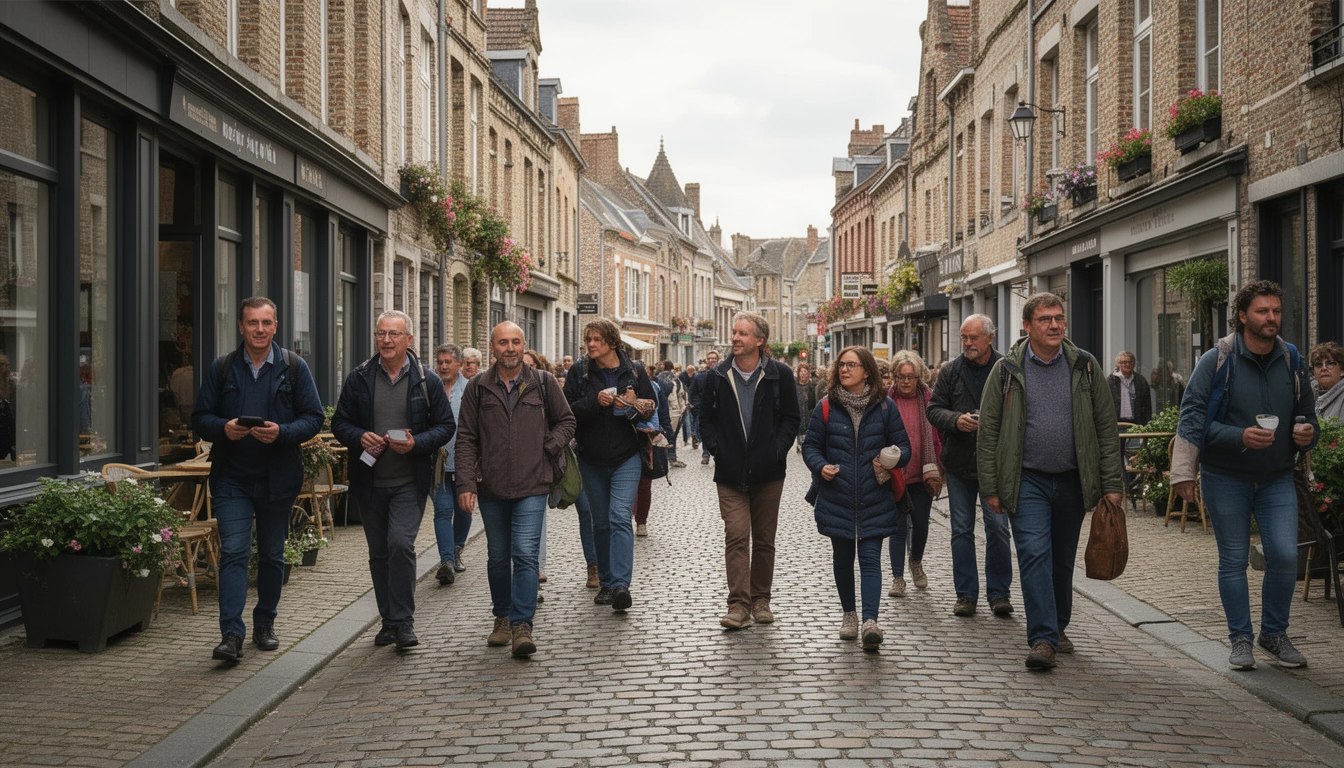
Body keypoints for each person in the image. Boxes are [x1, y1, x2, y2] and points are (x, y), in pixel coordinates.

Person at [1172, 281, 1319, 670]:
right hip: (1226, 476)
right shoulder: (1218, 359)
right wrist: (1238, 436)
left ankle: (1274, 633)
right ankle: (1240, 639)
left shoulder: (1291, 358)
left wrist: (1306, 433)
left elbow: (1308, 416)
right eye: (1262, 311)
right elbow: (1193, 418)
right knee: (1234, 560)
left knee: (1285, 555)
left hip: (1277, 477)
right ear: (1242, 316)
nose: (1271, 318)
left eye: (1275, 311)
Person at [977, 293, 1124, 670]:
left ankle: (1058, 626)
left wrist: (1112, 483)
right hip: (1027, 481)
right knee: (1034, 554)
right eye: (1045, 319)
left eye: (1059, 318)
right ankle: (1042, 638)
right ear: (1027, 326)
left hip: (1073, 481)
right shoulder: (1007, 371)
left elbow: (1106, 430)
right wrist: (991, 488)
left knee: (1061, 561)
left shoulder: (1085, 367)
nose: (1055, 325)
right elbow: (989, 432)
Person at [193, 297, 324, 662]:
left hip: (277, 478)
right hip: (232, 477)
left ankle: (264, 622)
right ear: (241, 326)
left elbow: (313, 418)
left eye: (266, 323)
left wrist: (281, 432)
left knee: (271, 554)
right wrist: (225, 428)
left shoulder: (294, 368)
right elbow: (200, 417)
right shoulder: (222, 369)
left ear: (276, 326)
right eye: (252, 323)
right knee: (234, 551)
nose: (259, 329)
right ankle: (231, 635)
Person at [331, 311, 455, 650]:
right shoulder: (359, 377)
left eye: (394, 334)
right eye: (381, 333)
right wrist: (359, 437)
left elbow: (446, 427)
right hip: (369, 482)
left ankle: (403, 622)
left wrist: (417, 443)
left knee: (400, 544)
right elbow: (339, 423)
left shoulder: (426, 380)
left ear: (409, 340)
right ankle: (388, 621)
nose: (386, 340)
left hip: (409, 481)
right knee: (379, 553)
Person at [453, 325, 573, 657]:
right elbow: (466, 439)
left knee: (524, 554)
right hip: (490, 486)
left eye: (516, 342)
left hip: (533, 485)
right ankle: (501, 617)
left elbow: (567, 421)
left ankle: (522, 624)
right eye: (503, 342)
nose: (510, 348)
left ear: (524, 346)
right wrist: (465, 483)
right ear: (491, 347)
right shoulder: (478, 388)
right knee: (497, 556)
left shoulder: (543, 383)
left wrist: (546, 448)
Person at [700, 312, 801, 629]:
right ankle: (739, 605)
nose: (735, 338)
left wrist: (777, 449)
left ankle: (761, 600)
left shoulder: (779, 375)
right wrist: (718, 449)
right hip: (730, 473)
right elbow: (705, 419)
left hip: (768, 472)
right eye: (734, 332)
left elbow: (791, 418)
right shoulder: (717, 376)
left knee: (765, 540)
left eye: (742, 333)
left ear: (760, 340)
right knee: (737, 535)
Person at [804, 346, 910, 649]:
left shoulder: (886, 407)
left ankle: (870, 622)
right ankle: (849, 614)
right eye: (841, 364)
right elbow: (811, 446)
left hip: (874, 495)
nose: (844, 370)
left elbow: (905, 446)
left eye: (851, 365)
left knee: (869, 558)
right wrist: (820, 465)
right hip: (837, 494)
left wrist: (895, 456)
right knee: (842, 557)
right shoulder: (825, 407)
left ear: (866, 370)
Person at [564, 319, 656, 612]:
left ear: (612, 343)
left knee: (619, 517)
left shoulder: (634, 370)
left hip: (626, 456)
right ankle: (605, 582)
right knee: (600, 522)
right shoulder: (579, 372)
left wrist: (633, 404)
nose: (591, 344)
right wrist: (595, 401)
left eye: (597, 340)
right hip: (591, 457)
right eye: (588, 339)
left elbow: (650, 408)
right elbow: (567, 412)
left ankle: (620, 585)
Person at [927, 314, 1013, 619]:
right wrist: (956, 420)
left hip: (996, 465)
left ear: (990, 337)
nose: (967, 344)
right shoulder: (951, 371)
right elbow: (934, 410)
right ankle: (966, 595)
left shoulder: (1006, 368)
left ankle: (999, 593)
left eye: (973, 338)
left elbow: (1019, 413)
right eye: (964, 338)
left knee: (999, 530)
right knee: (961, 531)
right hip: (960, 464)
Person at [886, 351, 944, 598]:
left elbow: (939, 436)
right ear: (895, 377)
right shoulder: (886, 401)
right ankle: (897, 577)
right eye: (901, 377)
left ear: (919, 376)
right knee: (897, 526)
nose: (906, 381)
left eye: (911, 377)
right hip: (895, 473)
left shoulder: (930, 400)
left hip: (923, 472)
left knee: (920, 524)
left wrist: (940, 467)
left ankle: (916, 561)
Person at [431, 344, 471, 585]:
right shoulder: (430, 388)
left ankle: (457, 549)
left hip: (465, 461)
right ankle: (446, 561)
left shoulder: (470, 389)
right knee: (442, 510)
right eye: (440, 362)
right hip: (436, 463)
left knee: (463, 508)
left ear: (459, 364)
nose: (444, 366)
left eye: (448, 362)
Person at [690, 351, 721, 464]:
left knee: (719, 432)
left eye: (714, 358)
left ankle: (718, 454)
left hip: (719, 408)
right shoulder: (700, 376)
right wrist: (697, 404)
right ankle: (705, 454)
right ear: (706, 360)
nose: (711, 360)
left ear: (717, 359)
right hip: (704, 408)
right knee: (705, 431)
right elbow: (692, 391)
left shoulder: (722, 373)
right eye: (709, 358)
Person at [1110, 351, 1153, 427]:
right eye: (1124, 362)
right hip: (1116, 424)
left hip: (1136, 424)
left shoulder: (1140, 381)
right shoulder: (1111, 381)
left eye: (1130, 362)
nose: (1127, 365)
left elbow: (1147, 406)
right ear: (1118, 364)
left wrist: (1146, 424)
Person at [1311, 341, 1344, 421]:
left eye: (1330, 363)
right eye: (1319, 364)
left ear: (1342, 370)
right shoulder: (1306, 394)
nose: (1324, 368)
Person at [796, 363, 820, 452]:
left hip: (809, 409)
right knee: (799, 426)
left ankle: (806, 443)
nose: (803, 374)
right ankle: (800, 443)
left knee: (808, 426)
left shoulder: (812, 384)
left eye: (805, 371)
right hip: (798, 409)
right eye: (801, 372)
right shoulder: (795, 385)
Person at [678, 364, 697, 447]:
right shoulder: (682, 376)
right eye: (689, 371)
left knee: (694, 420)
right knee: (686, 421)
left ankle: (694, 434)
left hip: (694, 401)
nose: (690, 372)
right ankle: (687, 438)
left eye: (692, 371)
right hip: (685, 400)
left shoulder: (696, 376)